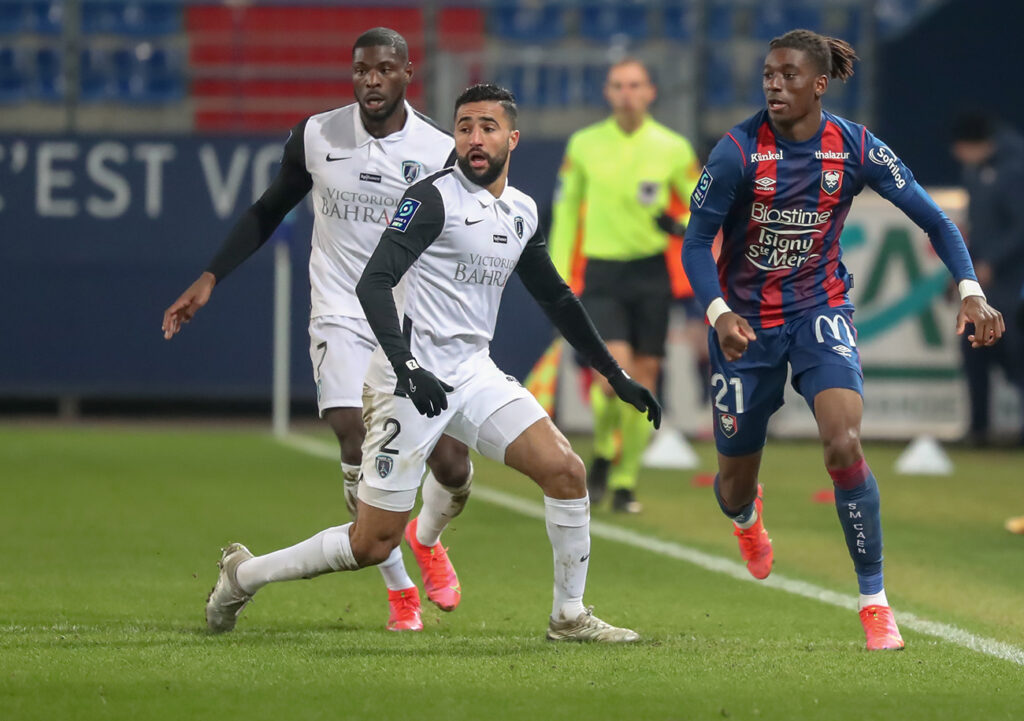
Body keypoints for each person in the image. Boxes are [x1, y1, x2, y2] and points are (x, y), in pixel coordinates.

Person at [201, 83, 660, 642]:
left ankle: (567, 616)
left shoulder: (519, 211)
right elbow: (374, 281)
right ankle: (243, 574)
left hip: (472, 372)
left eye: (487, 127)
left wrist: (616, 376)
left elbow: (557, 298)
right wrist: (406, 366)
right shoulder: (431, 197)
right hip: (407, 379)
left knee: (566, 472)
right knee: (371, 542)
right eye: (464, 126)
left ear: (511, 138)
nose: (474, 138)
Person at [681, 29, 1004, 651]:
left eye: (789, 75)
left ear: (819, 84)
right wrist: (719, 312)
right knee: (731, 488)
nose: (774, 85)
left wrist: (968, 288)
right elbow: (697, 243)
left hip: (817, 310)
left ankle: (875, 602)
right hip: (744, 326)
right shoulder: (736, 153)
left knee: (844, 441)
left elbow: (934, 218)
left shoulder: (855, 147)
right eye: (768, 75)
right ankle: (748, 518)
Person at [162, 28, 470, 633]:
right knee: (356, 441)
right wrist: (210, 277)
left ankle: (427, 537)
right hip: (340, 313)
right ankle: (400, 589)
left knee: (453, 465)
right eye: (361, 71)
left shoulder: (439, 149)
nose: (371, 81)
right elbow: (267, 208)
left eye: (384, 70)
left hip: (408, 321)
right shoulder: (317, 135)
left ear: (409, 73)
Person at [549, 58, 701, 513]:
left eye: (635, 85)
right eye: (618, 85)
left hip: (650, 273)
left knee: (647, 377)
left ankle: (625, 480)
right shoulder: (583, 145)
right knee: (617, 376)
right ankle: (602, 450)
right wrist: (556, 274)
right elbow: (566, 210)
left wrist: (678, 223)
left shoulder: (672, 147)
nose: (627, 93)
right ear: (608, 92)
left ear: (651, 92)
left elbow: (701, 205)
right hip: (602, 273)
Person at [950, 113, 1024, 447]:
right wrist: (963, 273)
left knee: (1016, 355)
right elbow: (976, 228)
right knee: (973, 349)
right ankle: (978, 429)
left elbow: (1021, 227)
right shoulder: (976, 171)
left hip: (1013, 285)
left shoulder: (1015, 168)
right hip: (983, 287)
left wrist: (993, 262)